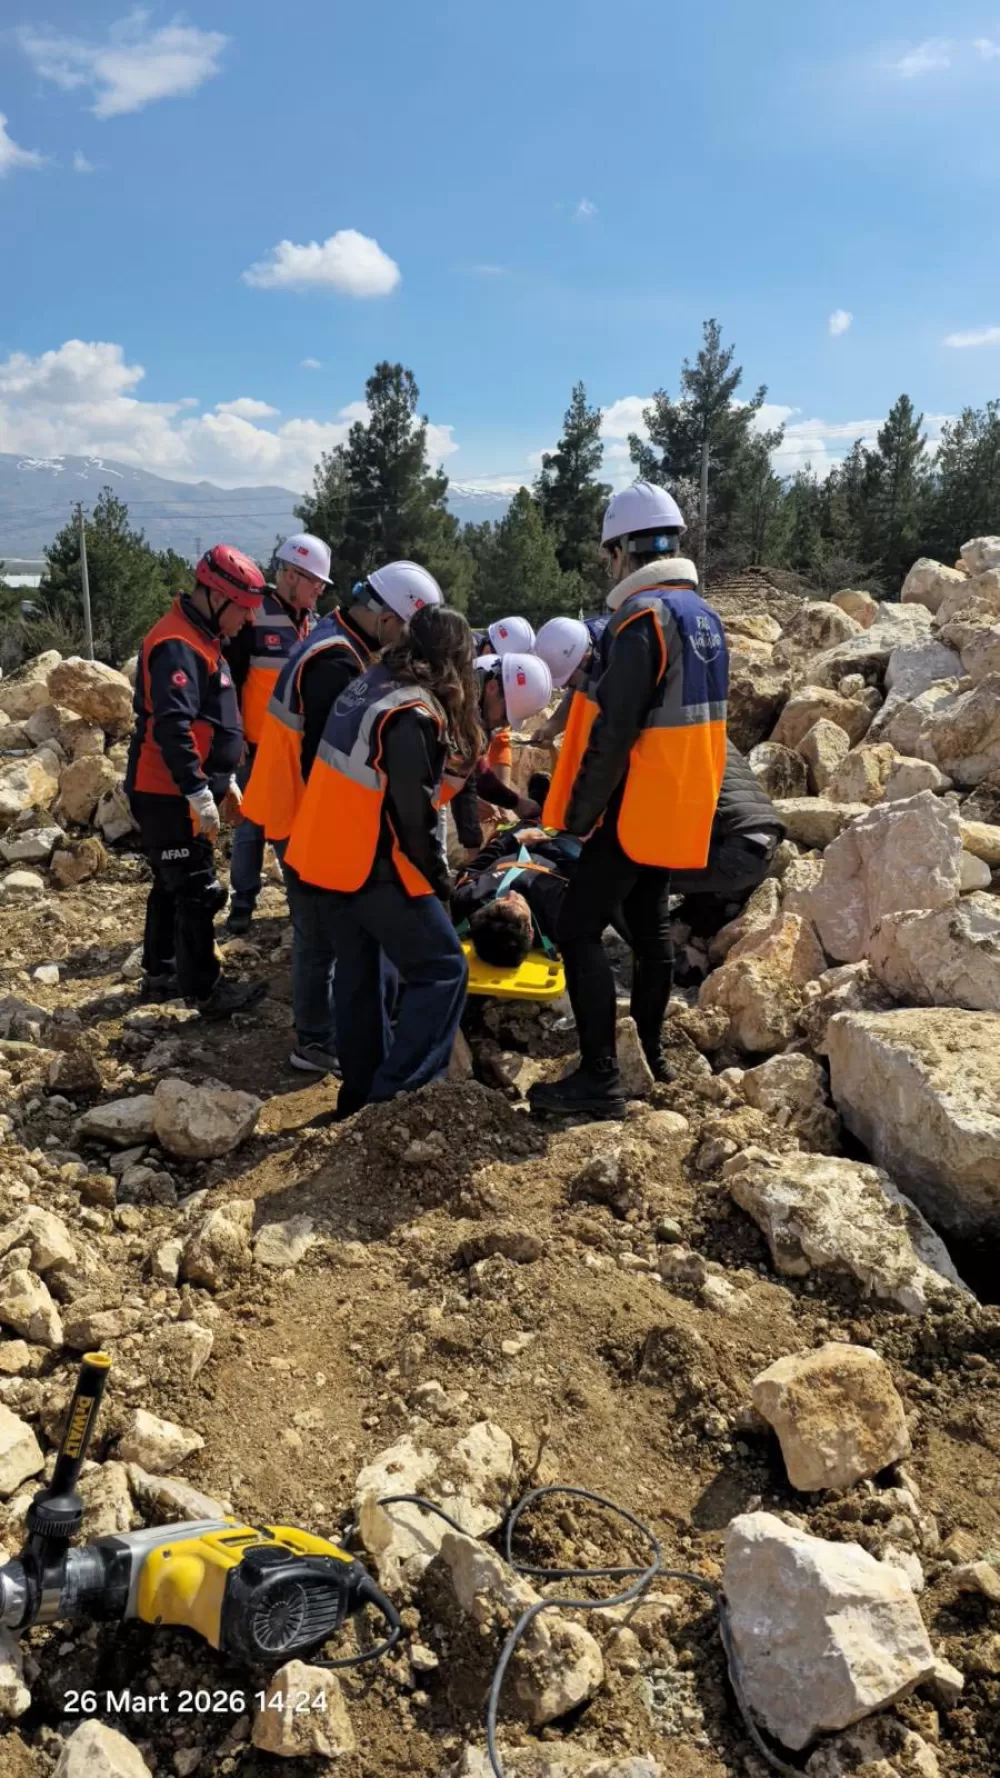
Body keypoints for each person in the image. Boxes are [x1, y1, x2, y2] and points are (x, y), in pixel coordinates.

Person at [528, 481, 729, 1120]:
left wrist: (577, 819)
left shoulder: (642, 619)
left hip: (636, 804)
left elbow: (614, 734)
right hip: (683, 801)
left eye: (607, 554)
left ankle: (599, 1078)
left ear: (621, 552)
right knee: (649, 929)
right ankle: (650, 1053)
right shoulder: (704, 617)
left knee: (578, 925)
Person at [242, 561, 445, 1075]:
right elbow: (325, 760)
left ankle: (325, 1030)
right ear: (386, 619)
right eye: (405, 630)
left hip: (287, 802)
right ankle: (313, 1039)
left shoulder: (336, 639)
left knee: (327, 935)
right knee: (318, 936)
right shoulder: (337, 661)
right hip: (296, 809)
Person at [284, 605, 483, 1116]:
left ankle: (359, 1100)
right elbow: (412, 814)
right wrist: (439, 882)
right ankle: (402, 1095)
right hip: (367, 862)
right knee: (442, 968)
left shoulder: (371, 681)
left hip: (325, 855)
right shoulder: (411, 711)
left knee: (362, 977)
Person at [125, 545, 270, 1019]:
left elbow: (210, 719)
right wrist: (195, 788)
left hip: (181, 786)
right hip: (167, 790)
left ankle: (161, 971)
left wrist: (223, 777)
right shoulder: (178, 644)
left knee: (171, 883)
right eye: (245, 611)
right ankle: (204, 991)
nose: (248, 622)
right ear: (218, 596)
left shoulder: (201, 638)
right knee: (197, 887)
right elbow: (173, 725)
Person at [224, 532, 331, 934]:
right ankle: (243, 904)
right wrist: (232, 736)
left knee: (296, 826)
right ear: (289, 575)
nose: (318, 589)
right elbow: (231, 678)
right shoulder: (253, 616)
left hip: (296, 749)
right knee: (251, 829)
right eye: (314, 580)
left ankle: (299, 902)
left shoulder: (312, 624)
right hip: (255, 745)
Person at [669, 740, 786, 971]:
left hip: (735, 850)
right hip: (763, 842)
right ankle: (697, 940)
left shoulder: (672, 734)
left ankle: (655, 965)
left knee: (636, 879)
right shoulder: (707, 728)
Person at [447, 652, 552, 852]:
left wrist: (516, 803)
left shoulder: (474, 712)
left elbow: (475, 775)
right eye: (506, 715)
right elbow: (467, 783)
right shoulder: (448, 716)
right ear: (492, 687)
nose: (504, 724)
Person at [473, 617, 537, 785]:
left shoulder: (495, 686)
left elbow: (500, 736)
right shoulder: (448, 669)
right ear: (488, 653)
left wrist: (503, 796)